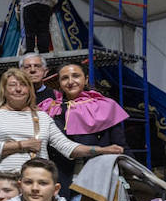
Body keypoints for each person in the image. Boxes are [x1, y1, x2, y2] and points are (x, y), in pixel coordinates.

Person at [0, 68, 120, 176]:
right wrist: (23, 145)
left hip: (37, 181)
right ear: (4, 90)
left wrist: (101, 150)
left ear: (29, 90)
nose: (18, 89)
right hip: (4, 183)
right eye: (12, 85)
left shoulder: (42, 116)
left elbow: (66, 146)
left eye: (23, 85)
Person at [40, 62, 128, 190]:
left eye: (76, 76)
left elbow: (120, 145)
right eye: (65, 78)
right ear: (59, 83)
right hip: (59, 177)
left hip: (97, 176)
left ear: (85, 79)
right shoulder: (50, 108)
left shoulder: (105, 106)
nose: (70, 81)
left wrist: (136, 176)